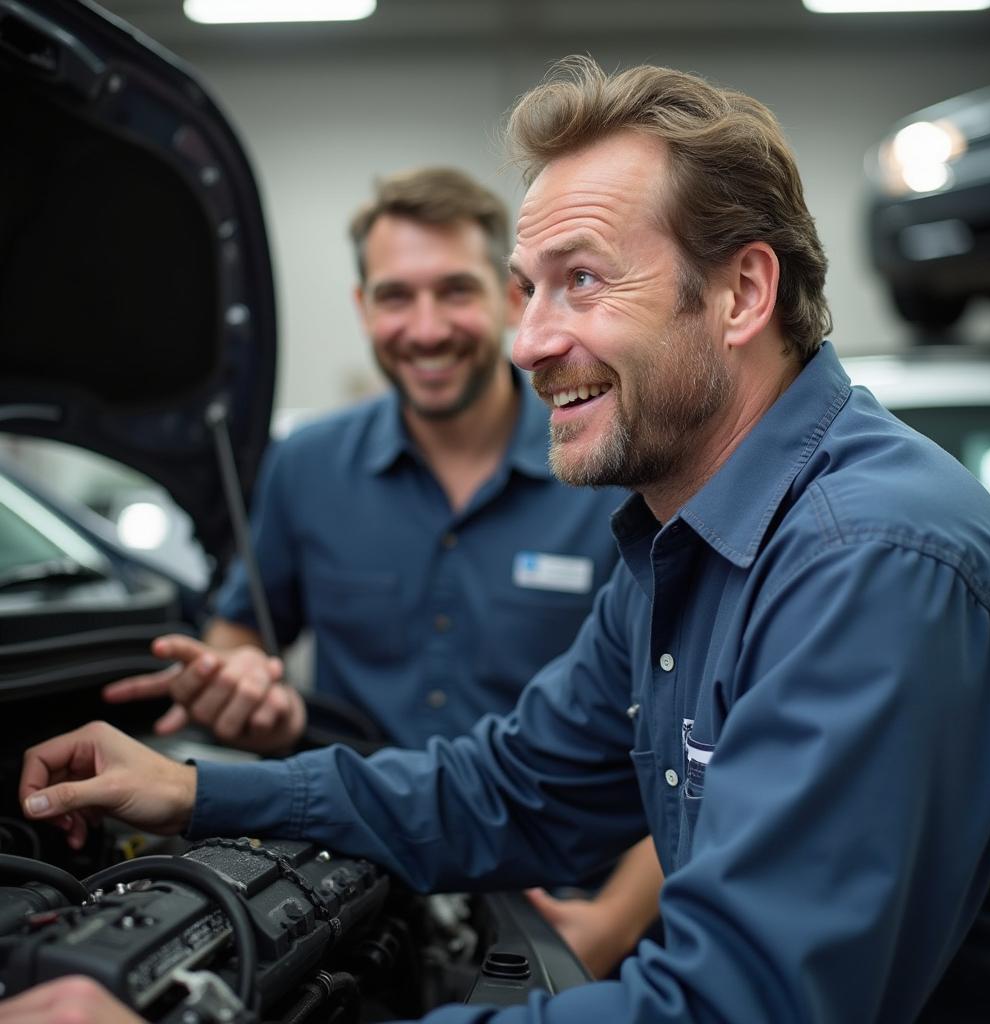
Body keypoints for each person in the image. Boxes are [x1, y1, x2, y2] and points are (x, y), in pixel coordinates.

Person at [17, 56, 990, 1024]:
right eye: (527, 287)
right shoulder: (683, 538)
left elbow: (732, 1009)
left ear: (742, 295)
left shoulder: (869, 565)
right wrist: (192, 789)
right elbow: (510, 790)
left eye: (582, 281)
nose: (529, 341)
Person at [99, 166, 660, 979]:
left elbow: (675, 741)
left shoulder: (607, 466)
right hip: (353, 892)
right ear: (364, 308)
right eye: (396, 297)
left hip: (561, 914)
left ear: (510, 298)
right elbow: (241, 629)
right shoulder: (307, 468)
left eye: (454, 292)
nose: (426, 329)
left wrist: (608, 926)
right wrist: (236, 677)